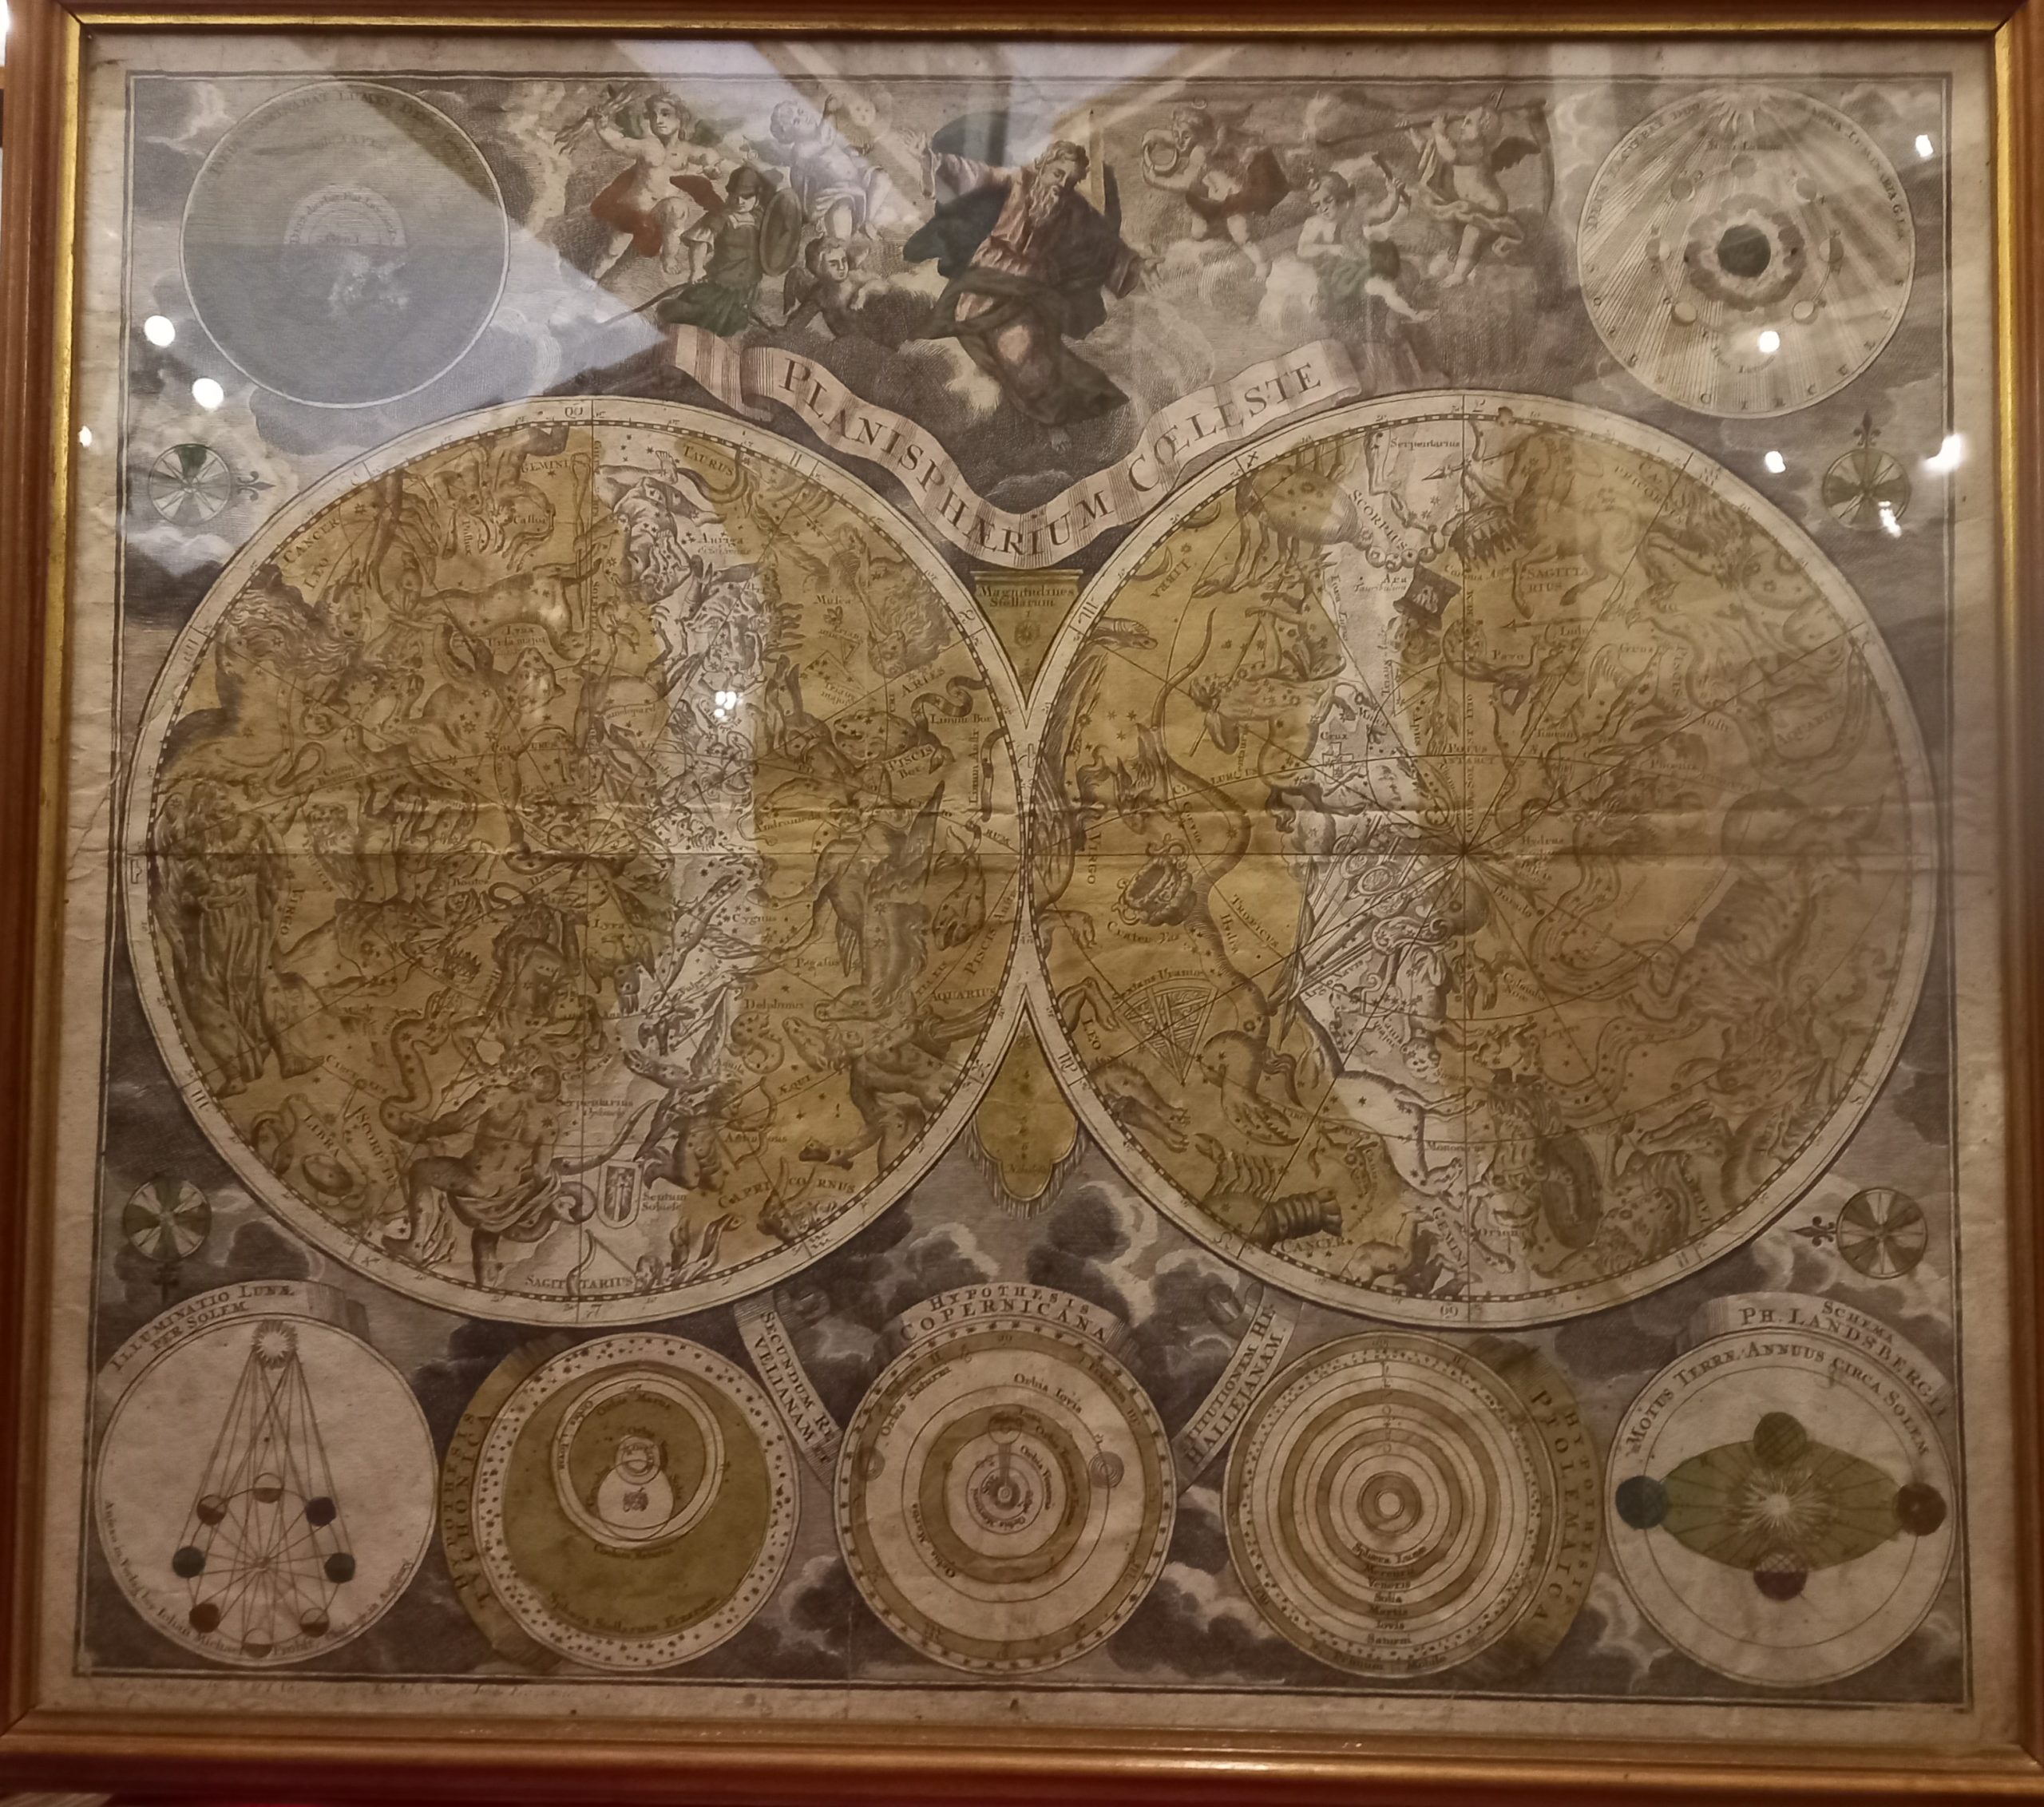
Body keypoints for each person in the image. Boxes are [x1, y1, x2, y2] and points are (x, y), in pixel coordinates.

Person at [907, 137, 1145, 426]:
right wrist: (930, 159)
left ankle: (1068, 415)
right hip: (987, 281)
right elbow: (970, 174)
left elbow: (1103, 239)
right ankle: (1043, 418)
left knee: (1038, 357)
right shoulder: (1014, 180)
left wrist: (1136, 266)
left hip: (1031, 293)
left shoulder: (1071, 206)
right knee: (1013, 353)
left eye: (1070, 181)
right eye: (1058, 174)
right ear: (1042, 165)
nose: (1062, 185)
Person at [559, 91, 720, 282]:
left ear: (680, 117)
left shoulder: (685, 150)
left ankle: (668, 257)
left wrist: (711, 166)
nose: (658, 120)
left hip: (660, 212)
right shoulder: (648, 146)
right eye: (653, 115)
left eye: (665, 114)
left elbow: (707, 155)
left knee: (677, 208)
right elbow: (619, 143)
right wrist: (602, 126)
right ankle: (592, 279)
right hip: (634, 211)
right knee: (613, 251)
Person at [648, 166, 774, 337]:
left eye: (747, 197)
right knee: (701, 311)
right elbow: (701, 242)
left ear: (757, 198)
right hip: (719, 281)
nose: (740, 201)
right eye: (735, 195)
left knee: (731, 320)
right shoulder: (721, 217)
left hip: (746, 285)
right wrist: (697, 268)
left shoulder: (759, 220)